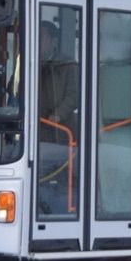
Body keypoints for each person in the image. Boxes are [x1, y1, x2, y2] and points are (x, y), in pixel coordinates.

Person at [37, 20, 79, 217]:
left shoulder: (68, 65)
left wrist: (58, 115)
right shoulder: (32, 63)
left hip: (62, 131)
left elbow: (74, 95)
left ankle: (64, 211)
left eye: (43, 37)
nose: (39, 42)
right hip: (39, 130)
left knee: (62, 175)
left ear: (54, 41)